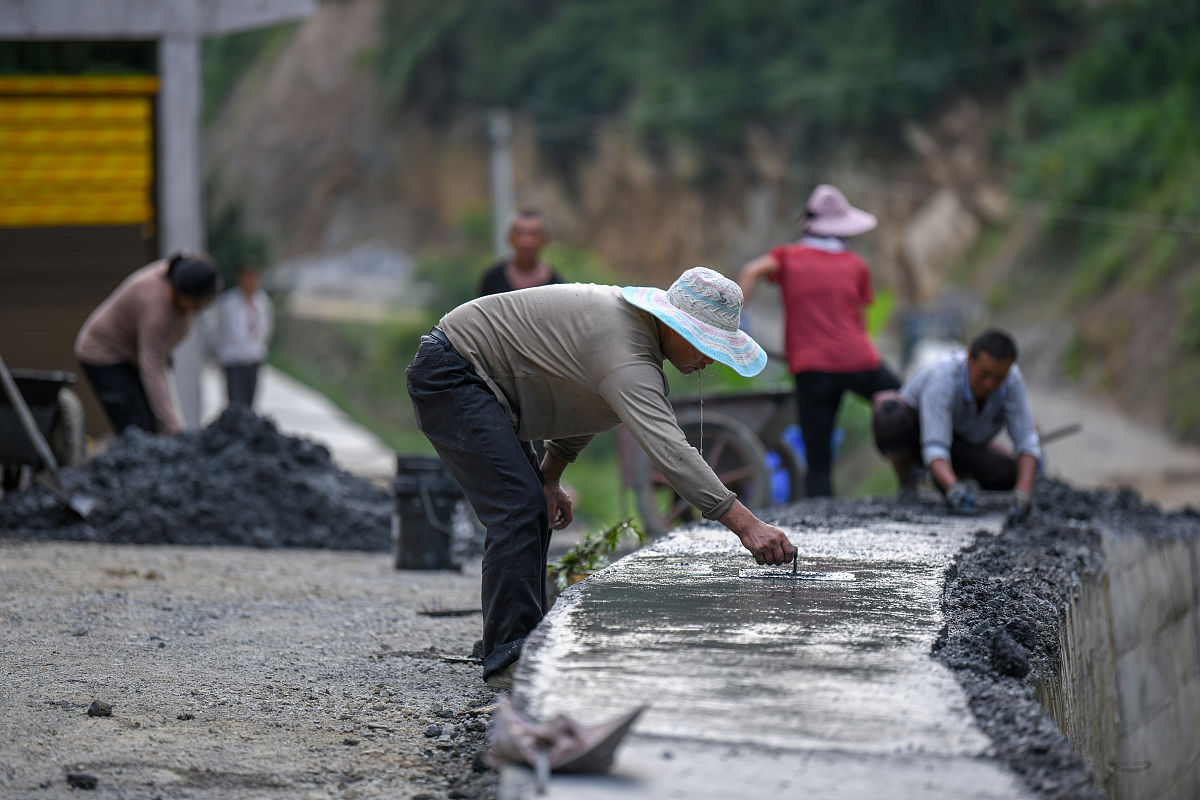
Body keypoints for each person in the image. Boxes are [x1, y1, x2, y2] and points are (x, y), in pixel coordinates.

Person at [406, 267, 796, 689]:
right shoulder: (627, 354)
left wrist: (550, 479)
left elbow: (583, 403)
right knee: (517, 509)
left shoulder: (630, 345)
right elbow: (670, 450)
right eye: (704, 344)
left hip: (484, 384)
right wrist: (747, 525)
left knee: (530, 503)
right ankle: (508, 656)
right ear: (674, 324)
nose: (707, 359)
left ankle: (517, 639)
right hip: (455, 373)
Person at [739, 184, 900, 498]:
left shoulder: (787, 258)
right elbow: (860, 320)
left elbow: (751, 270)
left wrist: (735, 318)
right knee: (904, 400)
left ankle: (821, 517)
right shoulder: (855, 265)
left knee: (818, 453)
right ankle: (916, 469)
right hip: (859, 361)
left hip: (812, 369)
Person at [872, 329, 1041, 524]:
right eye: (984, 374)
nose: (989, 384)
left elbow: (1027, 439)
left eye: (998, 378)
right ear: (970, 359)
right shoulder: (943, 376)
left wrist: (1023, 493)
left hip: (961, 443)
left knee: (1006, 473)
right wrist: (953, 489)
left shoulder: (1012, 380)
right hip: (917, 436)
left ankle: (948, 479)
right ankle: (909, 483)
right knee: (891, 415)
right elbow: (935, 445)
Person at [75, 251, 221, 435]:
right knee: (137, 427)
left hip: (133, 354)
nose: (197, 310)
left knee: (151, 420)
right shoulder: (156, 308)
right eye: (195, 304)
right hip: (104, 354)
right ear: (181, 292)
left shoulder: (184, 271)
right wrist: (175, 428)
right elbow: (152, 369)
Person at [210, 265, 273, 408]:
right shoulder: (228, 302)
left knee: (250, 402)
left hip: (253, 357)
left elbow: (266, 329)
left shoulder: (263, 301)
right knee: (235, 402)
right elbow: (219, 330)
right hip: (233, 358)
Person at [477, 209, 564, 296]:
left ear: (545, 238)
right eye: (520, 233)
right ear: (510, 238)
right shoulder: (492, 279)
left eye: (533, 234)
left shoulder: (556, 285)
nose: (527, 242)